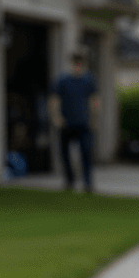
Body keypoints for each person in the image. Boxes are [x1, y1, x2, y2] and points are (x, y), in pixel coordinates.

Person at [48, 51, 100, 192]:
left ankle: (88, 183)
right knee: (64, 155)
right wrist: (56, 117)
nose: (77, 66)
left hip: (84, 123)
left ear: (83, 65)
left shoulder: (89, 80)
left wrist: (94, 119)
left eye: (79, 64)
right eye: (75, 64)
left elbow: (94, 100)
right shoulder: (62, 80)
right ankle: (69, 181)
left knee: (86, 154)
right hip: (66, 124)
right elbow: (54, 100)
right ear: (71, 64)